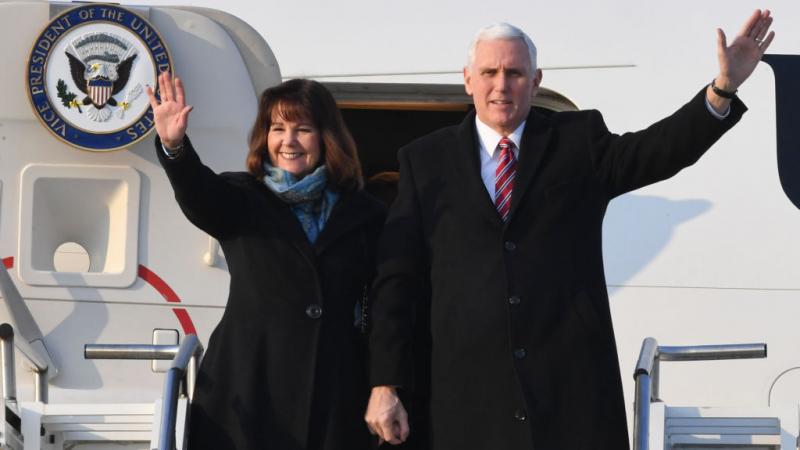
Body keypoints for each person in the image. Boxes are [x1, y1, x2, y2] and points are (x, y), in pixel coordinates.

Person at [365, 10, 774, 450]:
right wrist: (385, 383)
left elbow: (657, 151)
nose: (501, 85)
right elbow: (397, 282)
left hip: (569, 396)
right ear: (468, 79)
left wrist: (722, 90)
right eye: (489, 72)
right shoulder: (425, 160)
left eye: (514, 73)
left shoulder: (577, 141)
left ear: (536, 81)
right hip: (468, 402)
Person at [146, 74, 385, 450]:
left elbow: (386, 303)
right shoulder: (243, 198)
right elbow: (197, 194)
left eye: (302, 129)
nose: (288, 141)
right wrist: (175, 147)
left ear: (326, 137)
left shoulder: (366, 213)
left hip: (334, 395)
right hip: (247, 392)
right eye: (278, 129)